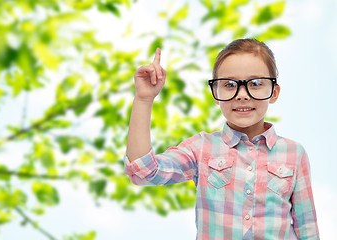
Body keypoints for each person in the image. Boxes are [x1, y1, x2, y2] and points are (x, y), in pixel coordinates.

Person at [124, 39, 319, 239]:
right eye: (229, 84)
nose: (242, 95)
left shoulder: (295, 154)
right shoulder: (201, 149)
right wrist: (144, 100)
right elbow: (143, 172)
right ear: (215, 93)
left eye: (256, 83)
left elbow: (307, 230)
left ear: (274, 92)